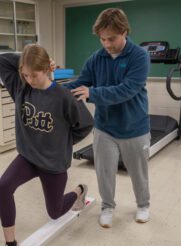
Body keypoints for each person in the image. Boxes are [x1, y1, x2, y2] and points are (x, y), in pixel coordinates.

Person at [0, 44, 94, 246]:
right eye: (25, 74)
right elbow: (1, 60)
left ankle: (78, 191)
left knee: (55, 213)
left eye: (33, 74)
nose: (29, 79)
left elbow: (86, 125)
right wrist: (27, 57)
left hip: (54, 163)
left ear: (47, 69)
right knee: (3, 186)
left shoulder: (64, 97)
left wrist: (62, 143)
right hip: (27, 157)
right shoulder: (19, 87)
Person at [63, 8, 151, 228]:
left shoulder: (139, 56)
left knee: (138, 173)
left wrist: (93, 93)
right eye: (102, 39)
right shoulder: (96, 58)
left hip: (135, 127)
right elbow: (81, 83)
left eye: (111, 38)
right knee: (104, 172)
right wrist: (54, 89)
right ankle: (107, 207)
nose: (106, 44)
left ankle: (143, 205)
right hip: (105, 128)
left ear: (124, 31)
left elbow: (127, 90)